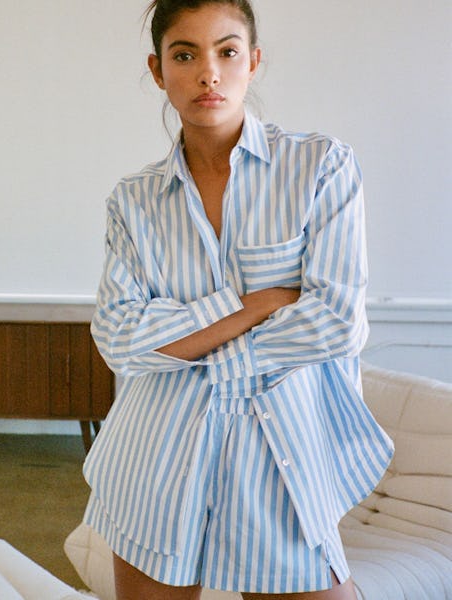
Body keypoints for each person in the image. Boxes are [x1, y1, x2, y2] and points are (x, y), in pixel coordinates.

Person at [83, 1, 394, 598]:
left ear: (252, 62)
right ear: (157, 70)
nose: (208, 73)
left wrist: (183, 339)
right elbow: (119, 337)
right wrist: (254, 306)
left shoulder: (320, 167)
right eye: (185, 54)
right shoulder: (134, 200)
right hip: (157, 456)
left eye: (226, 52)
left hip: (283, 457)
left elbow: (335, 324)